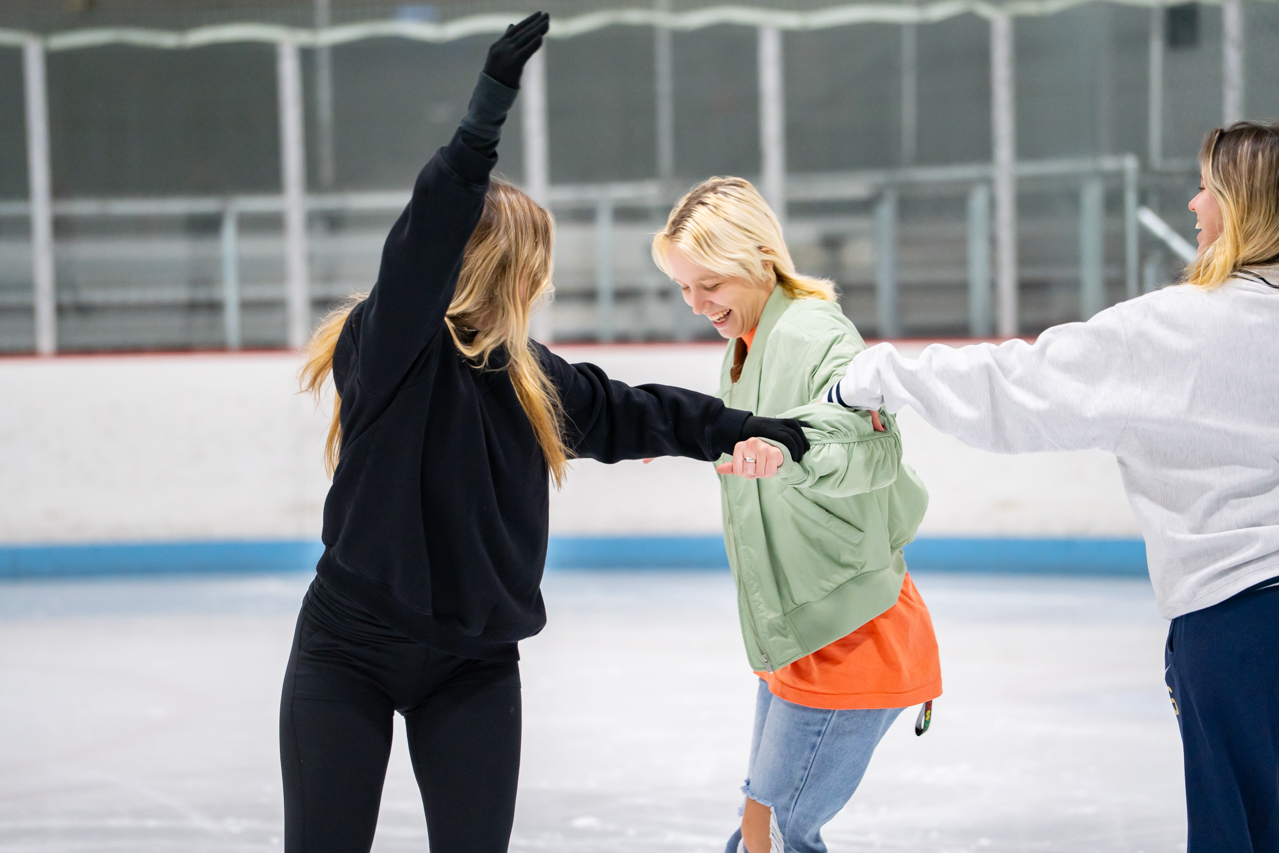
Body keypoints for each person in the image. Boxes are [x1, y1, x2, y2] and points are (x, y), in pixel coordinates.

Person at [281, 17, 810, 853]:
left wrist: (750, 427)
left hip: (473, 664)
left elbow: (637, 410)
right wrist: (483, 115)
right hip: (348, 648)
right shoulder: (389, 350)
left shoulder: (533, 379)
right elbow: (422, 238)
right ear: (512, 268)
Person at [825, 121, 1279, 853]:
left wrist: (874, 376)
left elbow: (1017, 386)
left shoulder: (1174, 329)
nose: (1193, 205)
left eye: (1207, 189)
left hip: (1234, 627)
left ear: (1243, 206)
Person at [652, 177, 942, 853]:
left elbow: (869, 445)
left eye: (709, 284)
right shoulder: (745, 342)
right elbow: (749, 443)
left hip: (850, 628)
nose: (696, 304)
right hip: (798, 631)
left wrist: (788, 447)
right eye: (682, 287)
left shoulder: (814, 330)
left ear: (757, 256)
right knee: (761, 832)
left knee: (773, 833)